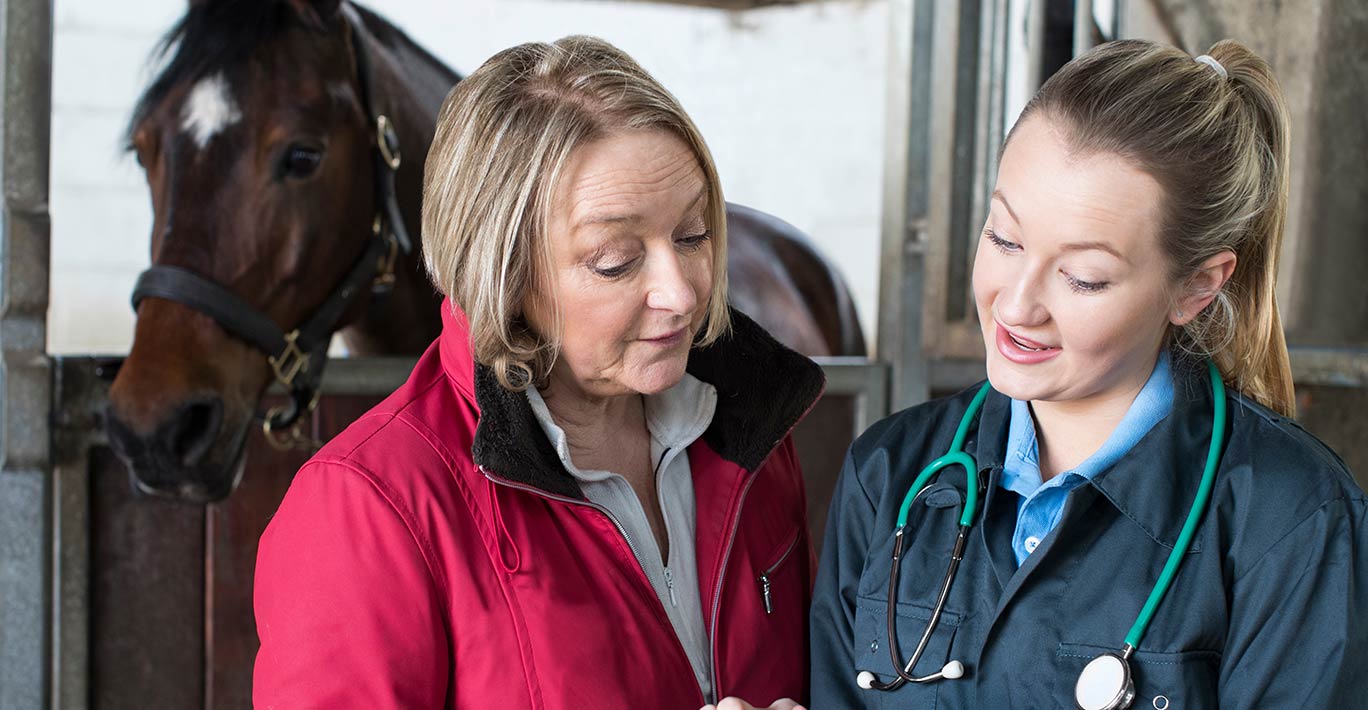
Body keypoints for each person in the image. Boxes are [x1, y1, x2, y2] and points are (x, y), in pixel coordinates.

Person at [253, 36, 820, 709]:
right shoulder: (369, 508)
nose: (685, 291)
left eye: (693, 235)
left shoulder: (749, 429)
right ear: (502, 273)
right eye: (614, 260)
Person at [799, 39, 1367, 709]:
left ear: (1196, 288)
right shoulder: (890, 473)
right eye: (1004, 239)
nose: (1015, 305)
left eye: (1083, 277)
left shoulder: (1290, 517)